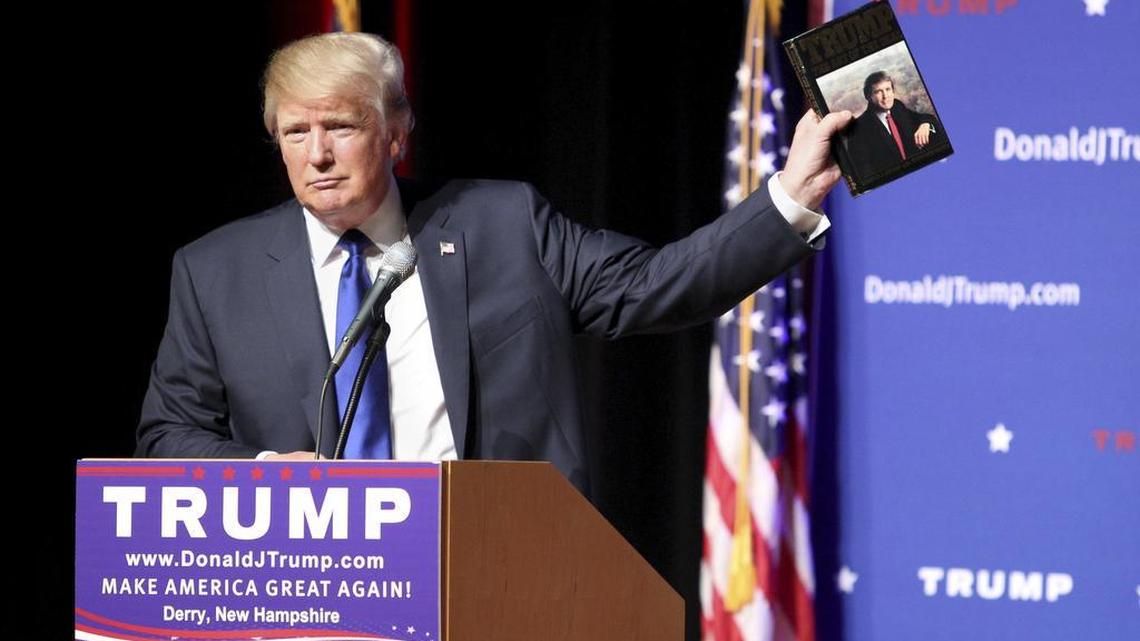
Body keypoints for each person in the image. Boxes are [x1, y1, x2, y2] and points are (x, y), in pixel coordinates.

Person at [135, 32, 852, 495]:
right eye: (295, 132)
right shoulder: (215, 271)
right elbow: (167, 434)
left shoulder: (503, 225)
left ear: (395, 133)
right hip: (313, 588)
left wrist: (792, 194)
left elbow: (655, 285)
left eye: (341, 126)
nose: (317, 154)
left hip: (493, 567)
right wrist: (263, 472)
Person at [847, 70, 940, 179]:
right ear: (869, 97)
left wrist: (925, 124)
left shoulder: (897, 106)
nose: (885, 96)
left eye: (888, 89)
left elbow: (927, 117)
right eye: (878, 92)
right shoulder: (858, 129)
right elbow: (865, 174)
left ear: (893, 91)